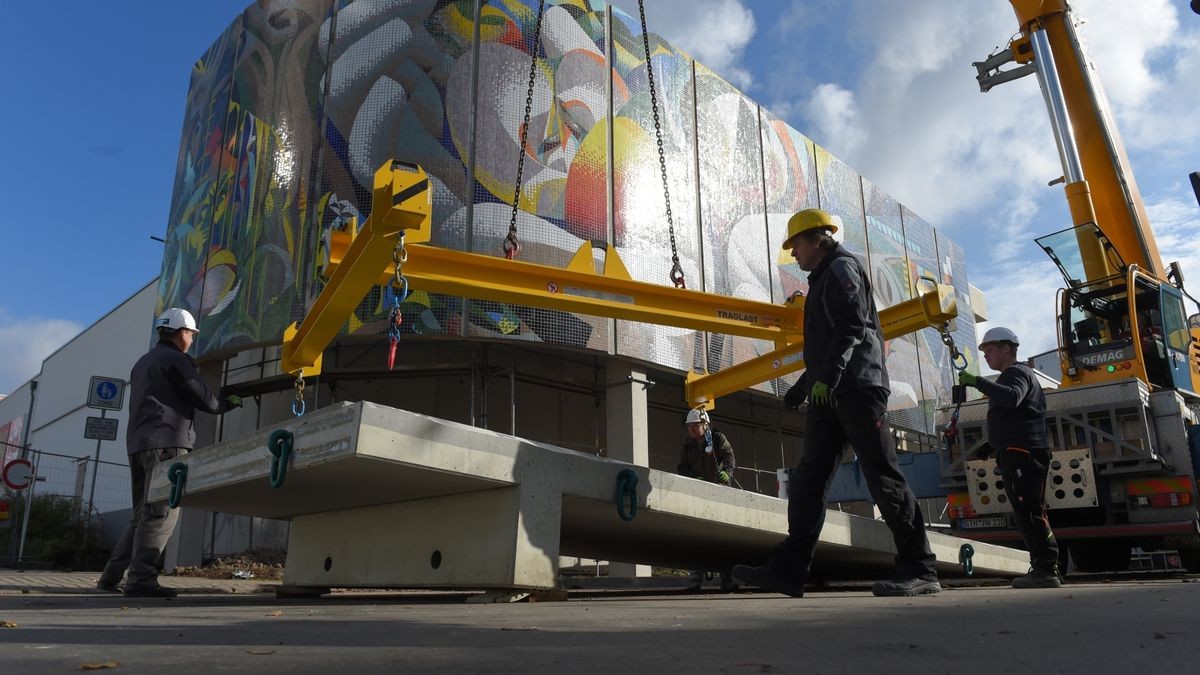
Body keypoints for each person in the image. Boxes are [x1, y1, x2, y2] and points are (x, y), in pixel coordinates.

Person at [733, 208, 940, 597]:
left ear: (816, 238)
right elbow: (829, 341)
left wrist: (826, 376)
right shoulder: (823, 277)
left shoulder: (843, 269)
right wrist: (807, 383)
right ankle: (789, 570)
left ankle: (920, 568)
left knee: (881, 474)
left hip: (858, 388)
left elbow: (852, 326)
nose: (792, 253)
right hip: (831, 391)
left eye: (795, 244)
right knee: (809, 479)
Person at [97, 308, 242, 598]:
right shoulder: (177, 360)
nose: (191, 339)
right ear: (181, 333)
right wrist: (226, 403)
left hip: (138, 444)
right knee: (161, 513)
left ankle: (110, 578)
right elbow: (203, 398)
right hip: (167, 442)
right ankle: (141, 580)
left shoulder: (143, 362)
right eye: (190, 334)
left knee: (140, 514)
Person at [959, 327, 1060, 588]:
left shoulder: (1017, 373)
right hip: (1017, 453)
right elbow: (1013, 416)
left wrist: (977, 382)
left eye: (989, 350)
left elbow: (1013, 398)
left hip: (1023, 455)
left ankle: (1046, 569)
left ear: (1007, 348)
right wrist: (990, 447)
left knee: (1029, 513)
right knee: (1027, 512)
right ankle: (1043, 567)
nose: (986, 356)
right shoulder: (1011, 376)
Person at [677, 408, 738, 592]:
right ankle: (695, 582)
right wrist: (693, 479)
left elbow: (729, 457)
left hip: (720, 494)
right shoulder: (688, 445)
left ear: (705, 424)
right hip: (699, 494)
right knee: (697, 539)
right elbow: (682, 467)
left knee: (722, 539)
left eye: (695, 426)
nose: (692, 429)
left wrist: (726, 473)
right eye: (689, 426)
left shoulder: (718, 439)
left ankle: (727, 581)